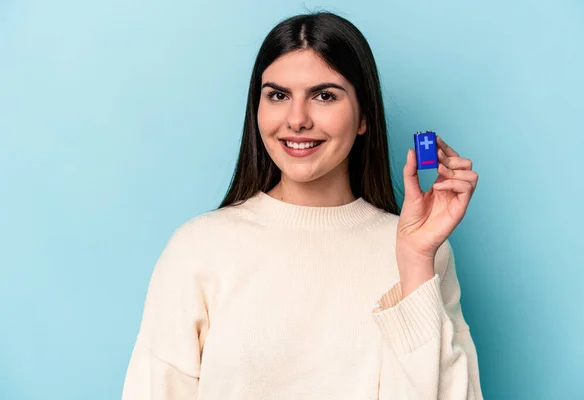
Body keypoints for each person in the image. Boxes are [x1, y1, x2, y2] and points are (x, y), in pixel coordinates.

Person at [122, 11, 483, 400]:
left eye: (324, 96)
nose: (296, 120)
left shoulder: (425, 254)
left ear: (363, 116)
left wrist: (414, 260)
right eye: (277, 95)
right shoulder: (198, 249)